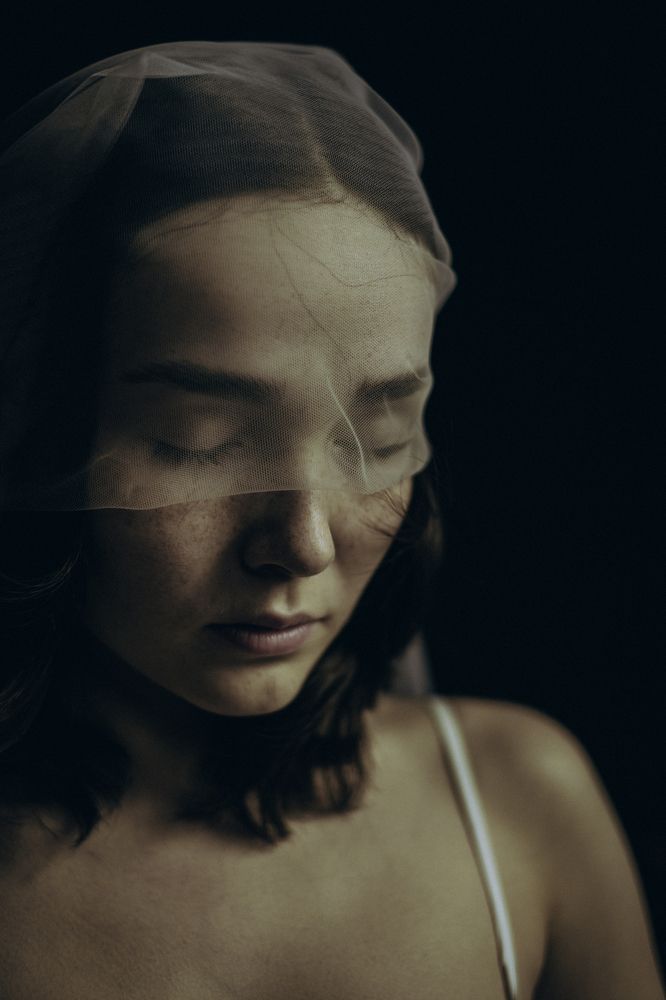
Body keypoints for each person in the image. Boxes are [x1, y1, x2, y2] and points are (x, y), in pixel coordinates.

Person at [0, 41, 662, 1000]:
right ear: (37, 435)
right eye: (201, 442)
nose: (303, 544)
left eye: (374, 440)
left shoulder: (522, 806)